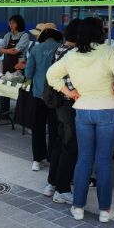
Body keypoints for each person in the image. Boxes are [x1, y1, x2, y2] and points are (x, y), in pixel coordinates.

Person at [47, 17, 114, 223]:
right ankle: (105, 210)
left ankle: (78, 207)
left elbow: (51, 75)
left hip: (83, 109)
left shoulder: (72, 55)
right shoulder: (109, 51)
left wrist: (69, 92)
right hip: (107, 109)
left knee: (83, 159)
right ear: (100, 33)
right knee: (103, 161)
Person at [44, 19, 81, 204]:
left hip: (59, 103)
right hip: (68, 103)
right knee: (70, 145)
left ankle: (52, 183)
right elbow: (71, 82)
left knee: (60, 142)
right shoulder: (73, 53)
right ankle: (62, 189)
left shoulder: (60, 49)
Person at [25, 23, 62, 171]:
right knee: (54, 129)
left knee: (38, 128)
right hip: (56, 95)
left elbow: (28, 74)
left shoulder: (35, 49)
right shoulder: (61, 49)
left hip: (38, 94)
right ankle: (52, 159)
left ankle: (37, 160)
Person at [0, 14, 29, 118]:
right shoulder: (7, 35)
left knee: (20, 90)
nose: (10, 25)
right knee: (4, 90)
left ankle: (19, 115)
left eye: (13, 23)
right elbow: (0, 50)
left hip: (19, 66)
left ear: (18, 23)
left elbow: (16, 51)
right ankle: (4, 113)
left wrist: (5, 50)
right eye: (10, 23)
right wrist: (8, 50)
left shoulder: (24, 36)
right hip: (7, 66)